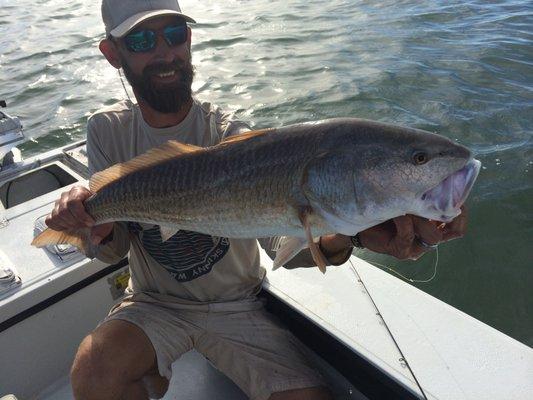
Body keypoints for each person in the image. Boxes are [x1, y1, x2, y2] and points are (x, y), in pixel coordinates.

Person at [45, 1, 468, 399]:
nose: (164, 52)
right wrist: (89, 224)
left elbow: (281, 245)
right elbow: (115, 246)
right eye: (141, 41)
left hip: (238, 305)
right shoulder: (106, 130)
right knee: (93, 372)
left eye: (174, 33)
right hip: (154, 303)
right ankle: (152, 373)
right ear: (112, 53)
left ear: (188, 40)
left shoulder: (231, 134)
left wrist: (354, 237)